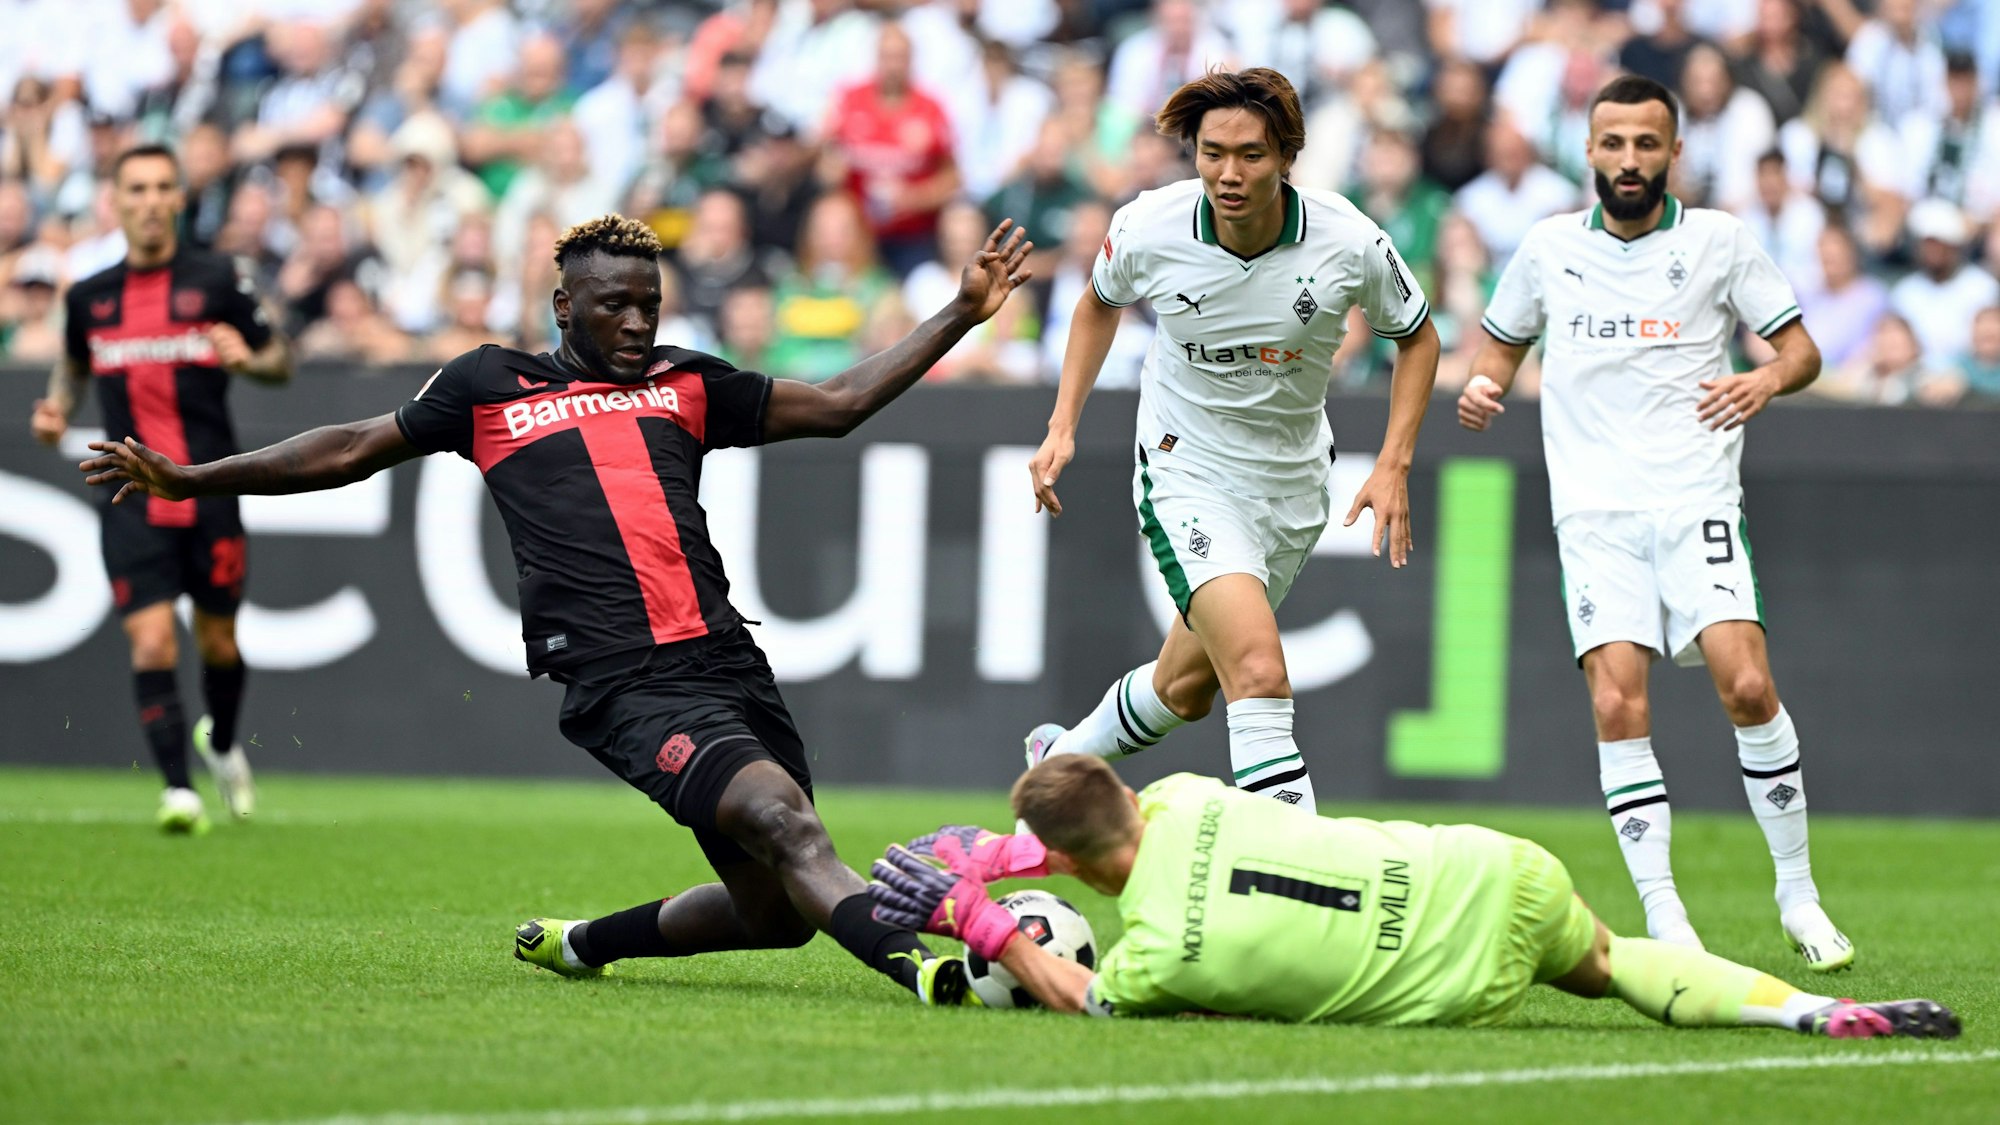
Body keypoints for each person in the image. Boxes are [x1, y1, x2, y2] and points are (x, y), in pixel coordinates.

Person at [79, 212, 1033, 1007]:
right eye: (614, 305)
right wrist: (195, 479)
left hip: (727, 661)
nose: (634, 323)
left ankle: (582, 942)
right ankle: (926, 971)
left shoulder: (687, 383)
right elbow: (349, 446)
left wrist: (959, 311)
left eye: (649, 306)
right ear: (563, 305)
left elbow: (835, 403)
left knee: (779, 910)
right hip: (624, 683)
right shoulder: (489, 385)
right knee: (788, 825)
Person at [1456, 76, 1850, 971]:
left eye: (1646, 144)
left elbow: (1801, 350)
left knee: (1746, 685)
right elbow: (1500, 349)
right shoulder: (1549, 247)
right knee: (1614, 701)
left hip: (1693, 499)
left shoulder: (1720, 241)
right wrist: (1486, 388)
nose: (1628, 160)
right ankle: (1668, 918)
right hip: (1594, 512)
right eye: (1612, 144)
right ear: (1587, 151)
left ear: (1675, 154)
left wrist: (1764, 380)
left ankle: (1799, 893)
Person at [868, 754, 1960, 1039]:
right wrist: (1033, 846)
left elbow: (1068, 990)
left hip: (1451, 983)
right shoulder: (1189, 795)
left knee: (1589, 978)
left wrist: (984, 918)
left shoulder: (1155, 962)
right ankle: (1808, 1014)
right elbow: (1107, 816)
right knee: (1617, 963)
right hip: (1490, 871)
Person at [1024, 68, 1439, 815]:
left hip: (1293, 482)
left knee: (1184, 688)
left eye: (1249, 154)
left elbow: (1417, 337)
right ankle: (1300, 890)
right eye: (1212, 153)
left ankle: (1057, 764)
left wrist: (1394, 459)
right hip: (1189, 468)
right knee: (1257, 669)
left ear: (1286, 155)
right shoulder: (1151, 225)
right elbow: (1096, 305)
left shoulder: (1347, 240)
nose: (1228, 173)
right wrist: (1062, 427)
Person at [31, 143, 293, 833]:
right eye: (136, 188)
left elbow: (279, 359)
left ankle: (225, 741)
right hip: (130, 497)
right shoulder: (90, 297)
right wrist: (55, 406)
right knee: (151, 643)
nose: (150, 201)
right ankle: (178, 789)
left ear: (180, 198)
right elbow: (71, 368)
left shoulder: (216, 279)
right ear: (115, 201)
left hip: (209, 489)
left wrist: (251, 357)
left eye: (162, 188)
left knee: (219, 644)